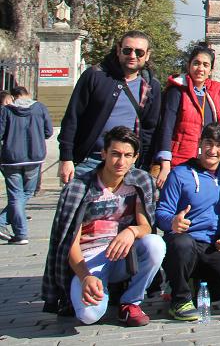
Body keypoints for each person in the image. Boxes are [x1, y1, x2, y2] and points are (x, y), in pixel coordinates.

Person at [42, 126, 165, 326]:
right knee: (89, 316)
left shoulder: (140, 181)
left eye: (127, 155)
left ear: (135, 158)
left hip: (122, 256)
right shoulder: (79, 187)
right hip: (88, 260)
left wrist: (131, 231)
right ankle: (91, 291)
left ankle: (130, 302)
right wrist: (85, 277)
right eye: (115, 154)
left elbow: (146, 226)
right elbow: (68, 243)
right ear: (104, 153)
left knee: (155, 244)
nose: (121, 162)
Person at [156, 123, 220, 320]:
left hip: (213, 247)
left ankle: (196, 284)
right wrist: (172, 222)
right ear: (200, 144)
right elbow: (162, 212)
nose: (213, 150)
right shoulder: (179, 174)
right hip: (185, 243)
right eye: (208, 143)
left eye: (219, 145)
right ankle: (179, 299)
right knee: (182, 243)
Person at [59, 31, 162, 183]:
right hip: (89, 161)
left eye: (139, 52)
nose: (133, 55)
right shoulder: (95, 76)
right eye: (128, 50)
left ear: (147, 55)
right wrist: (66, 158)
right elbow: (72, 117)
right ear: (118, 50)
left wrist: (145, 164)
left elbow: (150, 129)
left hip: (128, 165)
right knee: (76, 207)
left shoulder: (151, 86)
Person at [154, 44, 220, 187]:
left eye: (205, 65)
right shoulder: (177, 91)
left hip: (204, 160)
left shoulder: (213, 94)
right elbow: (166, 127)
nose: (200, 69)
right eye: (196, 63)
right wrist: (165, 164)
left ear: (211, 70)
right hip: (178, 160)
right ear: (189, 65)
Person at [0, 86, 52, 243]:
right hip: (34, 157)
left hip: (11, 158)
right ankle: (18, 232)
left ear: (15, 97)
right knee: (26, 193)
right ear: (27, 94)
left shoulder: (6, 111)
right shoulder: (40, 108)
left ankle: (7, 225)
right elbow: (48, 132)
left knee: (16, 195)